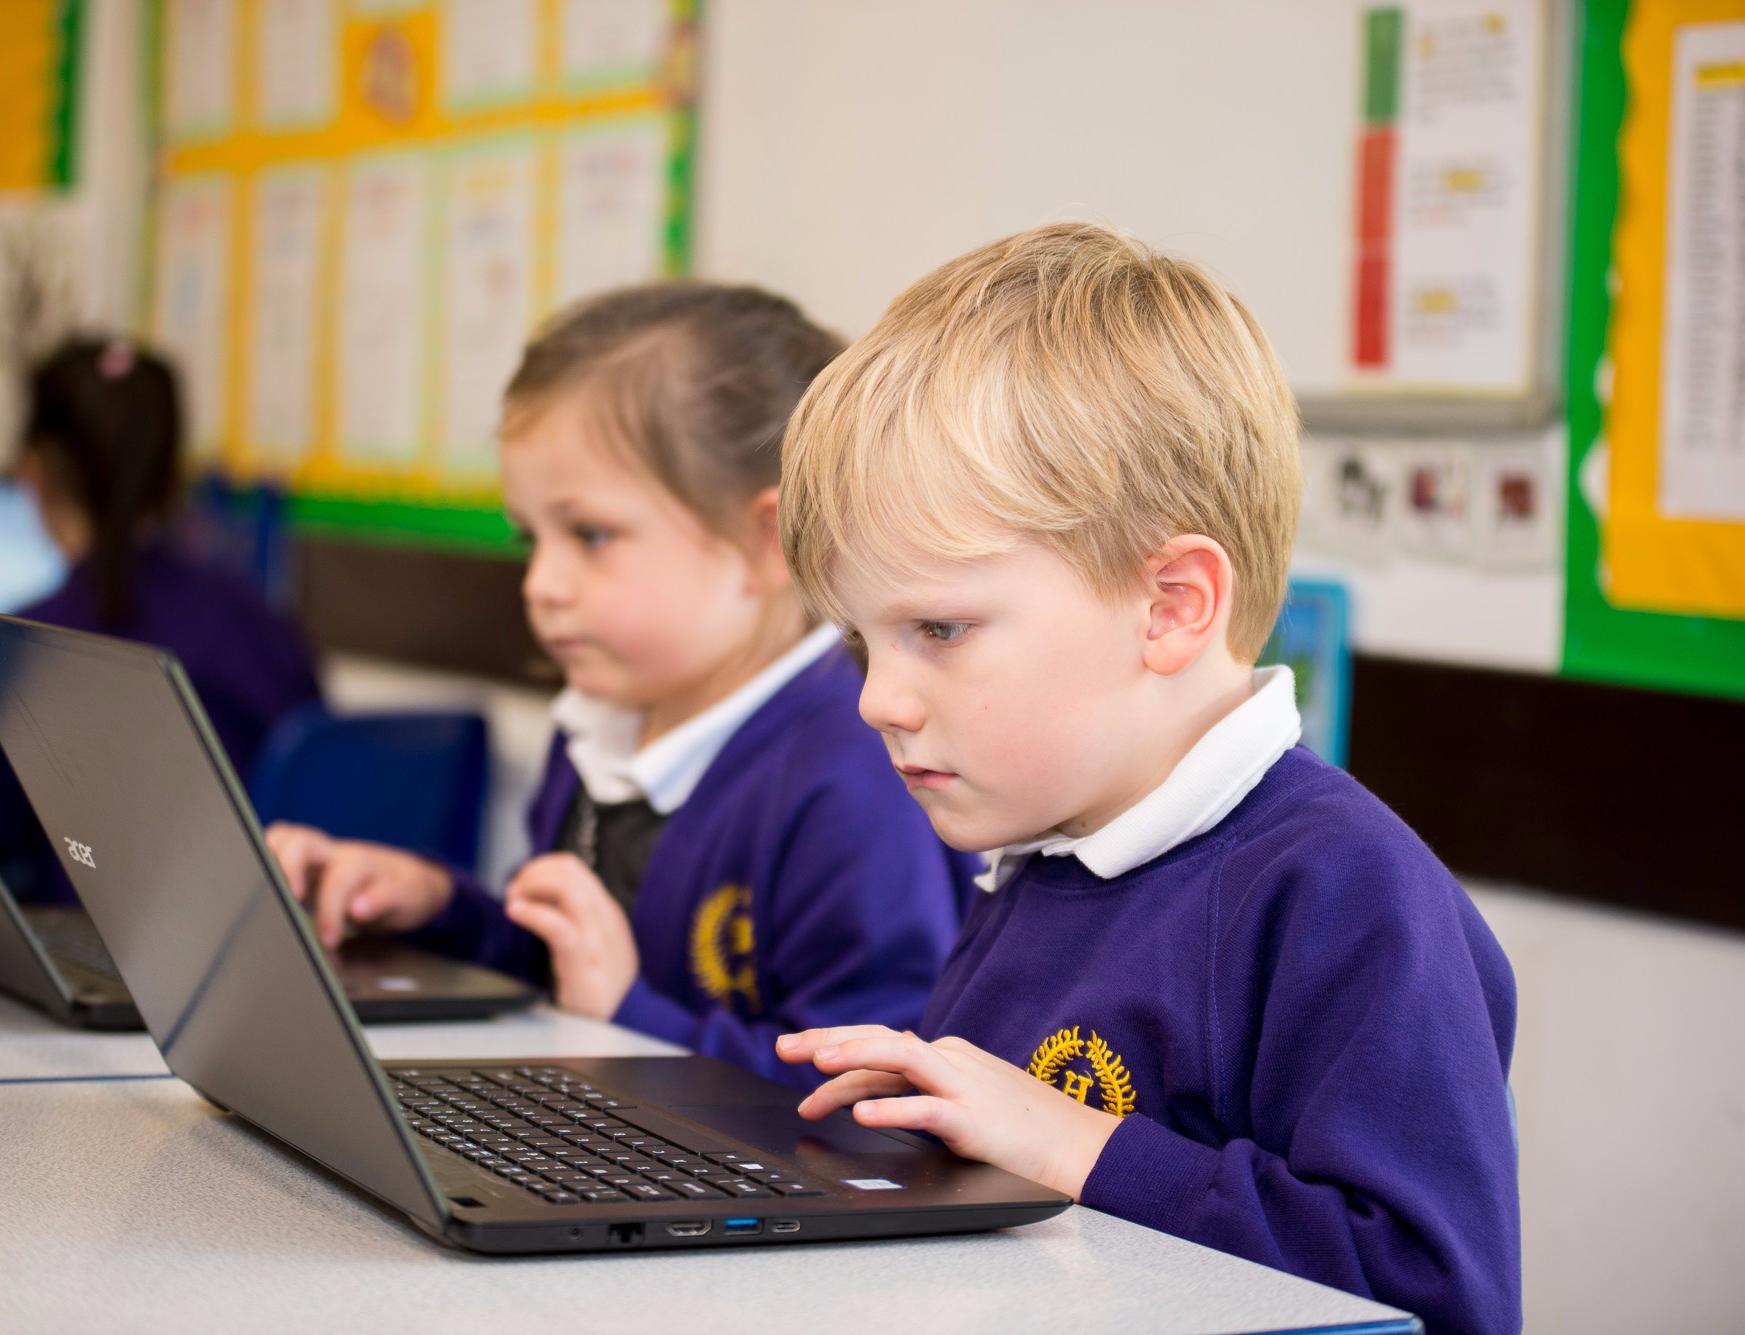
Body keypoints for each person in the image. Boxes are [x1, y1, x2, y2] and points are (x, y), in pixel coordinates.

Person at [772, 224, 1520, 1335]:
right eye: (858, 644)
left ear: (1171, 606)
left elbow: (1433, 1294)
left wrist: (1079, 1146)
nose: (878, 699)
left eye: (939, 627)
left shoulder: (1343, 895)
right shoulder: (1045, 851)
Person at [266, 283, 975, 1087]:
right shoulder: (596, 731)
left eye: (590, 535)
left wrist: (629, 1015)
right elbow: (557, 973)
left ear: (763, 541)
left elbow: (868, 1093)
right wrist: (438, 909)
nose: (541, 584)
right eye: (531, 538)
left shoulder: (853, 782)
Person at [0, 338, 319, 898]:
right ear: (171, 472)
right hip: (259, 949)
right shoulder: (259, 620)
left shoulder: (34, 645)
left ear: (33, 473)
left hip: (97, 960)